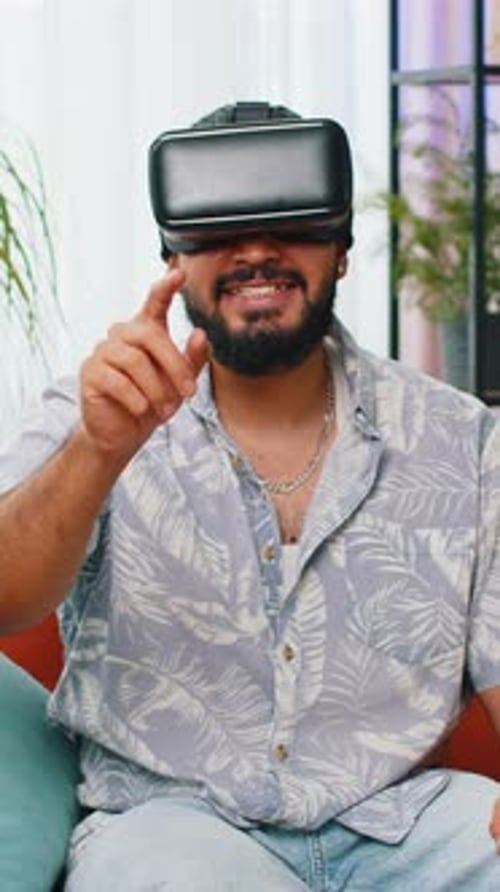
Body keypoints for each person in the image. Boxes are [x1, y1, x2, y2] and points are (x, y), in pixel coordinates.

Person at [0, 101, 499, 891]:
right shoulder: (87, 417)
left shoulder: (464, 440)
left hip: (400, 825)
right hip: (173, 829)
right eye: (221, 227)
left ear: (340, 246)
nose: (258, 251)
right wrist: (97, 454)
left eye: (292, 223)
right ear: (173, 251)